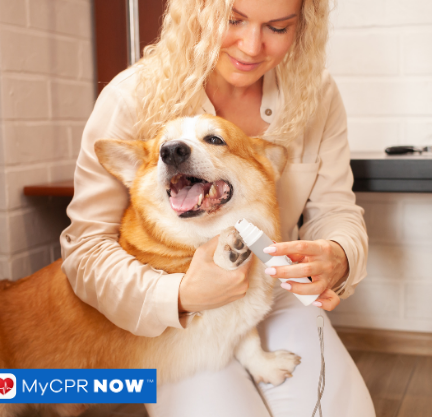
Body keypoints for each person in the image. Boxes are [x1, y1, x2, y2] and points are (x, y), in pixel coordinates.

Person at [60, 0, 375, 415]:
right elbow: (86, 252)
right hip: (174, 310)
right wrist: (179, 295)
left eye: (277, 27)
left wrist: (339, 255)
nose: (250, 46)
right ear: (198, 11)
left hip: (271, 290)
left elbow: (336, 210)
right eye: (233, 20)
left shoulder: (315, 92)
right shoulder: (129, 97)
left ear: (303, 25)